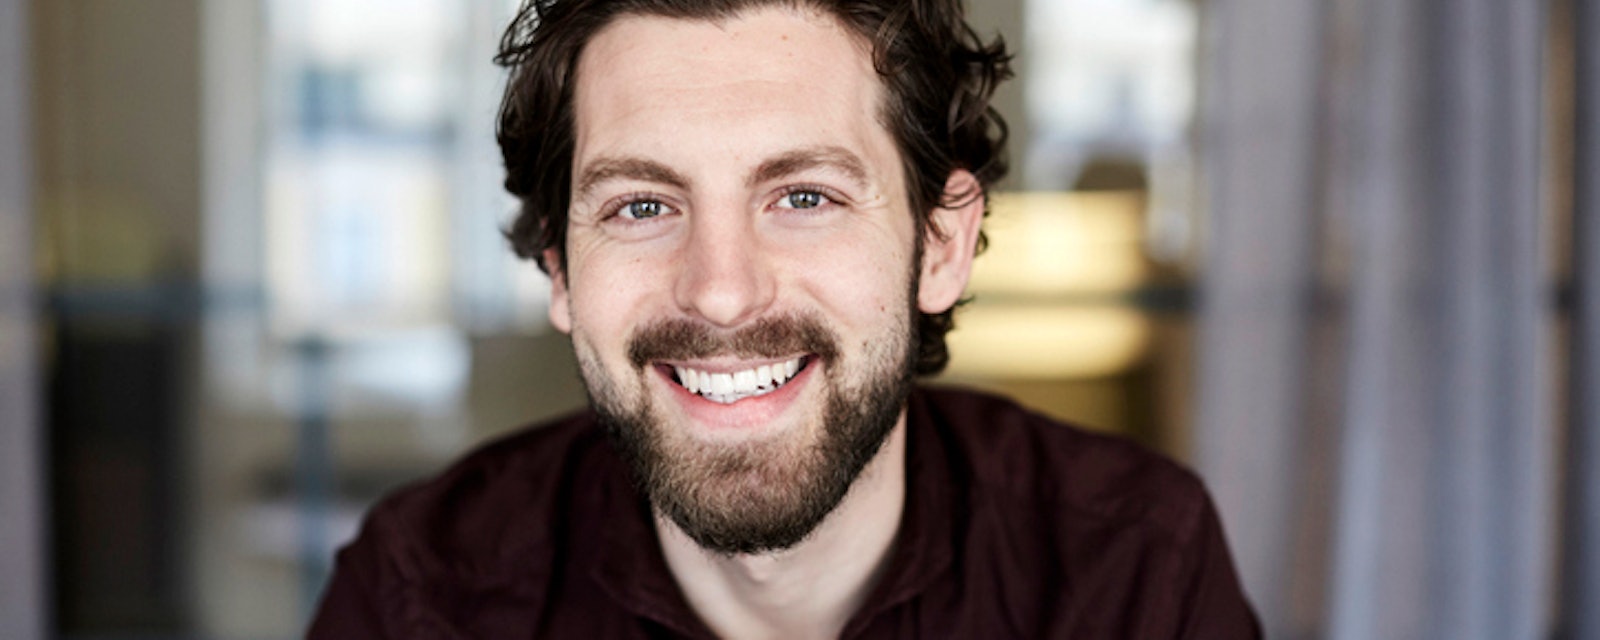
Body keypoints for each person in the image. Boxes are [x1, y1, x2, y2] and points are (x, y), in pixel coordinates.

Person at [308, 0, 1260, 637]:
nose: (722, 293)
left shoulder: (1134, 574)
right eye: (642, 206)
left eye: (803, 197)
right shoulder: (420, 600)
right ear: (559, 267)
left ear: (940, 246)